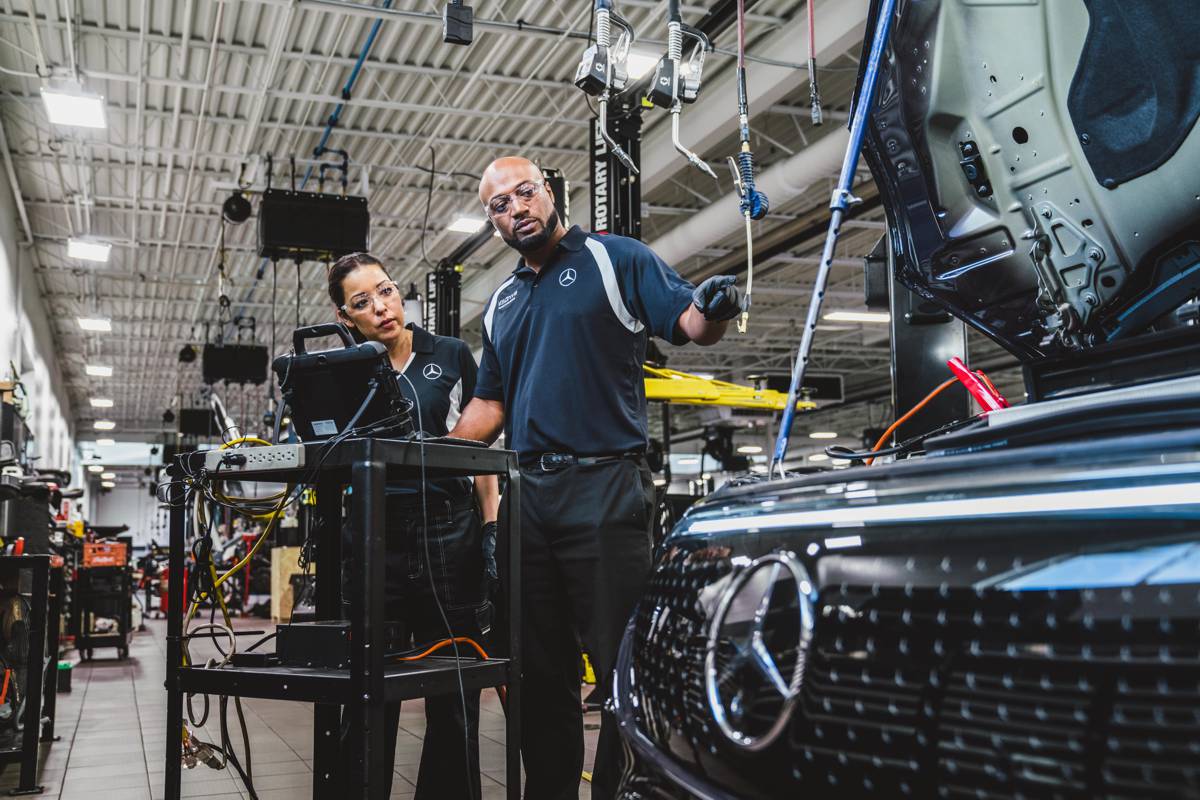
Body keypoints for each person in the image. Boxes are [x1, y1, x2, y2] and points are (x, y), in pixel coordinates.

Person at [449, 157, 741, 799]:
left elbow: (689, 325)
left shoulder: (617, 259)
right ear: (493, 222)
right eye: (499, 205)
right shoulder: (503, 301)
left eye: (524, 193)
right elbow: (491, 404)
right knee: (538, 674)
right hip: (529, 497)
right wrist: (429, 451)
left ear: (549, 193)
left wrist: (712, 306)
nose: (515, 208)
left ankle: (622, 791)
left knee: (622, 671)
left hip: (604, 489)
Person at [328, 252, 500, 799]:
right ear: (344, 316)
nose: (381, 308)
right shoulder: (343, 373)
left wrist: (491, 528)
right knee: (367, 686)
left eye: (386, 291)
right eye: (362, 302)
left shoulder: (448, 355)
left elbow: (479, 453)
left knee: (454, 686)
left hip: (449, 534)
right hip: (373, 536)